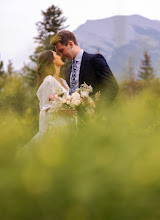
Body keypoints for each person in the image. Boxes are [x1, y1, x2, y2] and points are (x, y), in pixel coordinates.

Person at [19, 50, 75, 154]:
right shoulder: (49, 81)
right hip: (55, 131)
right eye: (56, 55)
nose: (60, 56)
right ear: (52, 61)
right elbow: (44, 110)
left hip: (67, 128)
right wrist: (61, 112)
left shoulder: (63, 81)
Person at [51, 30, 119, 103]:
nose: (61, 55)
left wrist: (99, 109)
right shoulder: (68, 70)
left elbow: (112, 86)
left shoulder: (94, 60)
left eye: (61, 50)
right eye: (59, 52)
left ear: (71, 44)